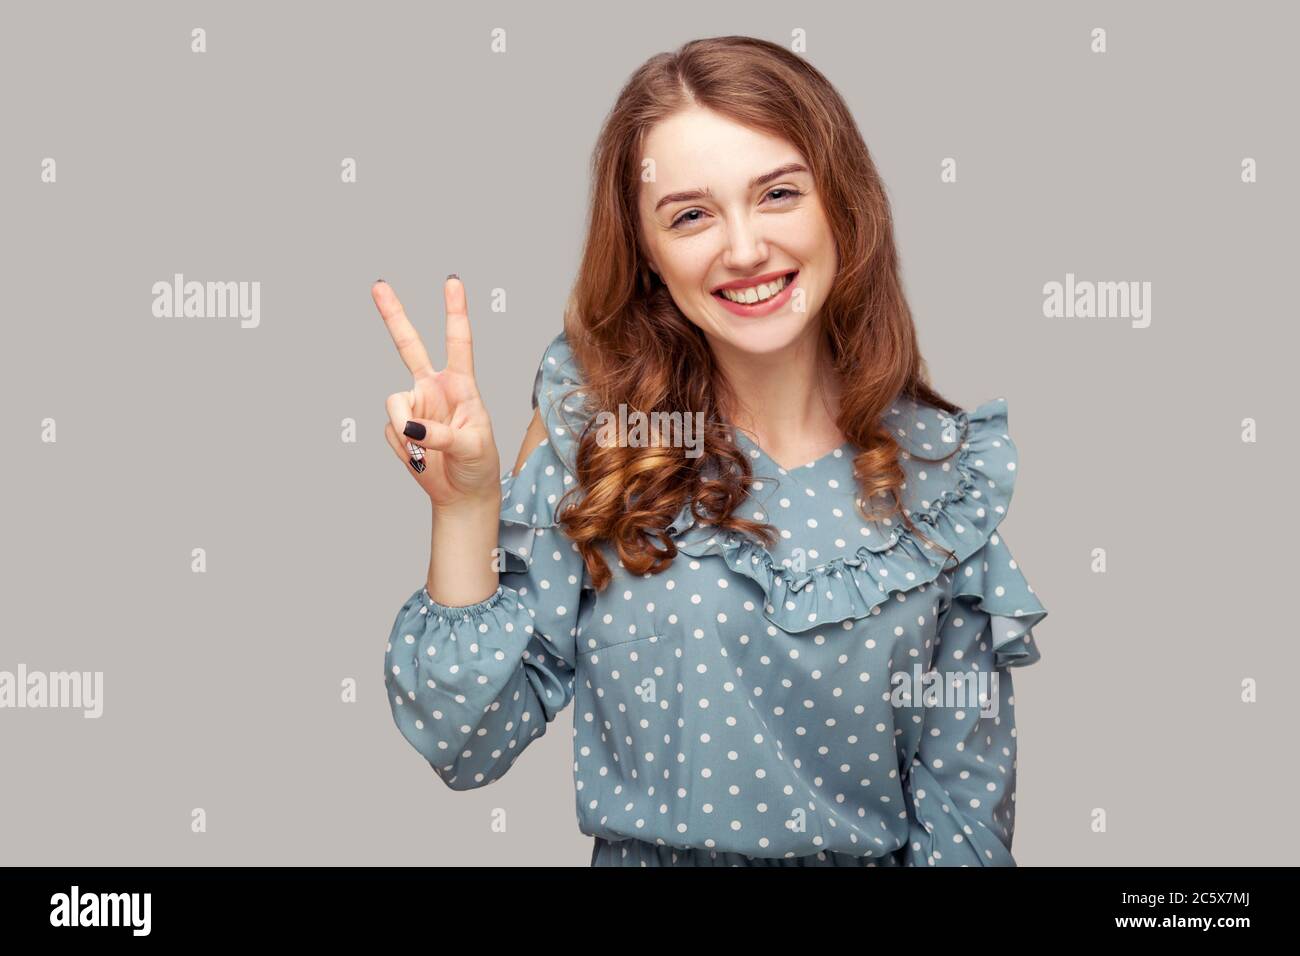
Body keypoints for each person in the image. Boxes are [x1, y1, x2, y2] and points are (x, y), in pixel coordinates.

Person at [376, 35, 1048, 867]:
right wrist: (466, 510)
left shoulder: (939, 477)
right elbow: (466, 741)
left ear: (840, 203)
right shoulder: (603, 439)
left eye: (777, 194)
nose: (743, 249)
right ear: (650, 256)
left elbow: (965, 811)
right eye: (690, 214)